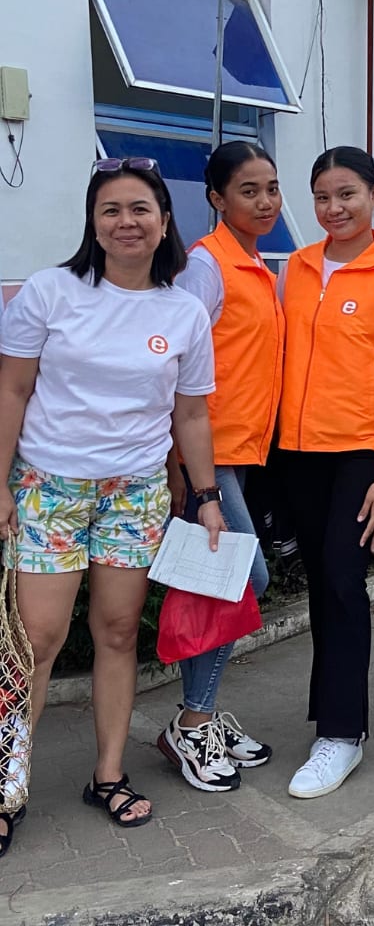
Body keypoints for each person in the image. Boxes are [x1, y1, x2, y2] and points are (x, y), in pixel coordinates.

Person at [0, 157, 224, 855]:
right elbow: (11, 390)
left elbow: (191, 415)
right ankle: (5, 786)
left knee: (120, 632)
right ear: (93, 224)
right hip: (50, 488)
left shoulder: (184, 312)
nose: (127, 222)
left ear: (164, 221)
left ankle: (107, 775)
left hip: (135, 493)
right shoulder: (50, 292)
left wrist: (208, 496)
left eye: (140, 209)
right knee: (35, 642)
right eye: (111, 210)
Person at [279, 147, 374, 798]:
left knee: (343, 578)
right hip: (297, 450)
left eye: (347, 195)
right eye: (322, 197)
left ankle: (343, 733)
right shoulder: (299, 267)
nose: (333, 209)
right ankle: (328, 716)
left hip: (360, 449)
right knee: (321, 582)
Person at [158, 141, 282, 792]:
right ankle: (192, 721)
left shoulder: (253, 264)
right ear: (216, 198)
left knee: (216, 582)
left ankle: (199, 717)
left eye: (271, 188)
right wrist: (179, 464)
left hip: (239, 452)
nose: (265, 202)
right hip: (208, 458)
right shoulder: (207, 266)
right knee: (243, 577)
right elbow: (175, 366)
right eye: (248, 191)